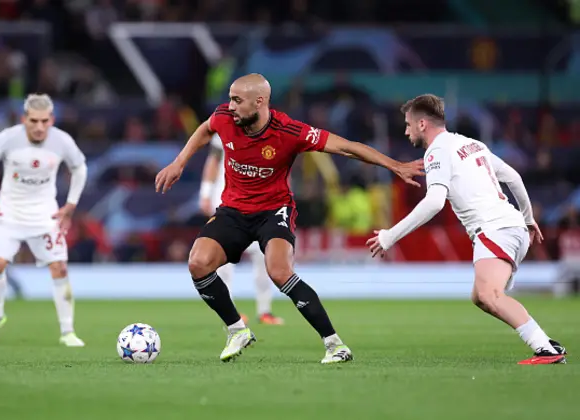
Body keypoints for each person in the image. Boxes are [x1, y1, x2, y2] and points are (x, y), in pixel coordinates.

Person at [155, 73, 424, 363]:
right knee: (198, 263)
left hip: (274, 211)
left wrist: (394, 165)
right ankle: (237, 329)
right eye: (230, 99)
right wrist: (179, 162)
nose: (230, 106)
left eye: (237, 100)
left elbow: (346, 147)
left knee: (279, 271)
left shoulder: (289, 131)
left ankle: (334, 344)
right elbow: (205, 129)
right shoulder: (224, 117)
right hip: (233, 210)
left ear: (259, 102)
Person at [367, 94, 567, 365]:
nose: (406, 130)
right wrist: (528, 218)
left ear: (422, 124)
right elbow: (513, 177)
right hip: (512, 225)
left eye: (408, 124)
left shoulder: (436, 151)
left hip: (494, 228)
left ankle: (546, 348)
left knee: (489, 294)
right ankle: (545, 343)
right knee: (480, 297)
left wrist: (390, 235)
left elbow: (435, 202)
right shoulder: (470, 143)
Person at [0, 94, 88, 347]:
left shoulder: (62, 141)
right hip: (10, 213)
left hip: (45, 215)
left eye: (44, 121)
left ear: (52, 120)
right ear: (24, 119)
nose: (39, 127)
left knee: (60, 268)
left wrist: (70, 205)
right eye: (33, 121)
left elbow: (80, 167)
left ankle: (68, 331)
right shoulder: (8, 138)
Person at [199, 132, 284, 325]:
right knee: (222, 261)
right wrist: (205, 193)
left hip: (258, 204)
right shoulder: (223, 130)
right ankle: (230, 313)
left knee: (264, 256)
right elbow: (213, 161)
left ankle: (265, 310)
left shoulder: (270, 132)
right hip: (225, 201)